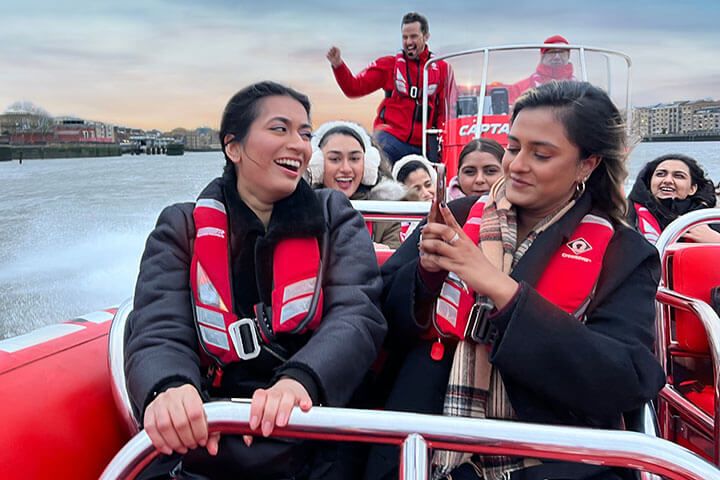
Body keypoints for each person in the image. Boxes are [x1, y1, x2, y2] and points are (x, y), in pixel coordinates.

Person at [367, 81, 665, 480]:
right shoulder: (455, 214)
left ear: (587, 164)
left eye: (540, 154)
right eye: (512, 147)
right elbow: (379, 320)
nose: (516, 165)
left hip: (552, 461)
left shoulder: (623, 250)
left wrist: (501, 290)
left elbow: (624, 379)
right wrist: (426, 275)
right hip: (422, 444)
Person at [124, 82, 387, 480]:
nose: (298, 145)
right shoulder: (181, 227)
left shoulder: (335, 216)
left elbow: (358, 313)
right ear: (233, 147)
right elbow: (158, 327)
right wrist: (170, 387)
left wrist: (302, 382)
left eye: (304, 134)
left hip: (314, 420)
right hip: (212, 423)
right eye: (280, 129)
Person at [326, 12, 454, 165]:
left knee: (436, 176)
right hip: (391, 140)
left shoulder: (442, 69)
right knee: (375, 158)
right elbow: (353, 88)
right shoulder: (388, 65)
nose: (408, 42)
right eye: (404, 37)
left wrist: (444, 145)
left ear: (426, 36)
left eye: (413, 36)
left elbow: (446, 113)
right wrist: (338, 65)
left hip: (425, 146)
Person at [308, 120, 405, 249]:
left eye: (354, 159)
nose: (346, 168)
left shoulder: (386, 213)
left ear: (368, 163)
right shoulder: (301, 210)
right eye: (335, 159)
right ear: (317, 164)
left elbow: (393, 265)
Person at [627, 153, 720, 244]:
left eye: (679, 176)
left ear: (692, 189)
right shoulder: (626, 214)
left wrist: (715, 241)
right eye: (660, 174)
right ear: (650, 183)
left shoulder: (710, 219)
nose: (668, 180)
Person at [508, 35, 576, 104]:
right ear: (542, 56)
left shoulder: (579, 88)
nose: (557, 57)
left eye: (562, 53)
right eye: (552, 52)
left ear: (568, 56)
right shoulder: (521, 88)